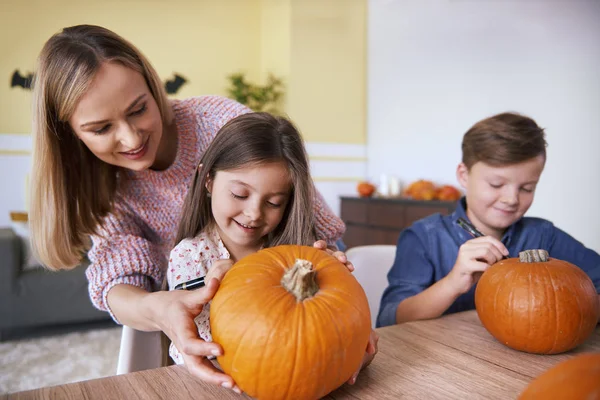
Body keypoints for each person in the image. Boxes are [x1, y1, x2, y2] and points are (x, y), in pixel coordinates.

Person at [29, 25, 349, 390]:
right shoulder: (99, 185)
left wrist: (341, 323)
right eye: (101, 128)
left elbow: (316, 230)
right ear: (69, 133)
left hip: (288, 329)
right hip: (202, 342)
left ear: (153, 87)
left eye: (139, 109)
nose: (131, 138)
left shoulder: (218, 123)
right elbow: (119, 285)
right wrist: (161, 308)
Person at [165, 112, 378, 391]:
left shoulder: (303, 251)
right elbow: (191, 348)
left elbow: (327, 337)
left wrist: (351, 334)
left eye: (274, 202)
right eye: (240, 195)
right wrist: (219, 290)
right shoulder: (191, 257)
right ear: (208, 180)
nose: (254, 213)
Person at [377, 112, 600, 327]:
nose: (511, 199)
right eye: (496, 184)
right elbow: (389, 320)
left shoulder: (543, 235)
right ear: (464, 175)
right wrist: (453, 283)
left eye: (527, 188)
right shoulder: (423, 238)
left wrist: (558, 308)